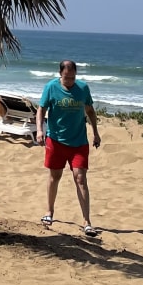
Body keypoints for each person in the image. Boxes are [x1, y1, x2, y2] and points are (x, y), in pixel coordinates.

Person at [34, 58, 101, 237]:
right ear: (60, 74)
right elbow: (41, 110)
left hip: (79, 142)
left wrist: (96, 133)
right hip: (56, 140)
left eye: (72, 78)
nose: (70, 81)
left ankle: (87, 222)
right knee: (54, 176)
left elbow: (90, 111)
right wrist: (40, 130)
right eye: (66, 78)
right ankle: (49, 212)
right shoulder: (51, 87)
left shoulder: (83, 88)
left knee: (80, 179)